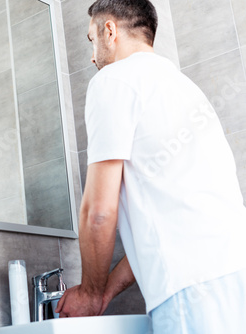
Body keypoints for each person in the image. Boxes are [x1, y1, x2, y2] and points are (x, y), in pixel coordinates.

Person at [55, 0, 246, 332]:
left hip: (190, 290)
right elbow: (161, 224)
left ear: (109, 30)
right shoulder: (185, 89)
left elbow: (98, 211)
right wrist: (105, 292)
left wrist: (89, 292)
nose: (92, 56)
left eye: (92, 40)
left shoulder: (113, 80)